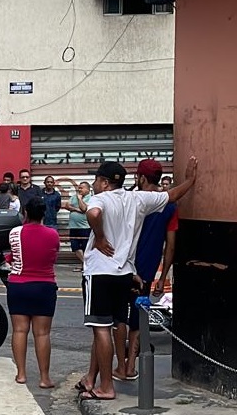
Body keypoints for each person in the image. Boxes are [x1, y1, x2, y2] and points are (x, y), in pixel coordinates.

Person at [77, 157, 198, 401]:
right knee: (117, 324)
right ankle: (97, 377)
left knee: (100, 330)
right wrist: (190, 180)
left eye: (96, 180)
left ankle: (106, 387)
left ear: (103, 182)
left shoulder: (100, 197)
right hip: (125, 274)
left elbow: (93, 213)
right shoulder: (138, 199)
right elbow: (172, 196)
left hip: (100, 272)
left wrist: (99, 237)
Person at [114, 159, 179, 382]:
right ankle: (131, 365)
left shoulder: (131, 200)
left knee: (118, 315)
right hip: (148, 269)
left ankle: (120, 366)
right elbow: (170, 245)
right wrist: (163, 277)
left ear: (140, 178)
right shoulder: (169, 205)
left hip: (123, 266)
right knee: (139, 316)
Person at [6, 197, 60, 388]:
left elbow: (13, 257)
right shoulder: (53, 234)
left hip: (19, 284)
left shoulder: (15, 232)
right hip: (44, 286)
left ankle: (21, 374)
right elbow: (53, 257)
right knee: (42, 334)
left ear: (26, 213)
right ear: (44, 213)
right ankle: (45, 377)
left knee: (20, 330)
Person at [66, 181, 91, 266]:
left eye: (82, 188)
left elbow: (84, 209)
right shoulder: (74, 197)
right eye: (79, 188)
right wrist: (77, 209)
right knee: (75, 247)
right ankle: (85, 265)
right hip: (73, 227)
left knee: (85, 248)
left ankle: (85, 266)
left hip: (85, 227)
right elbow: (67, 206)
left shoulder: (91, 198)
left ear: (88, 189)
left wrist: (80, 199)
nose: (79, 189)